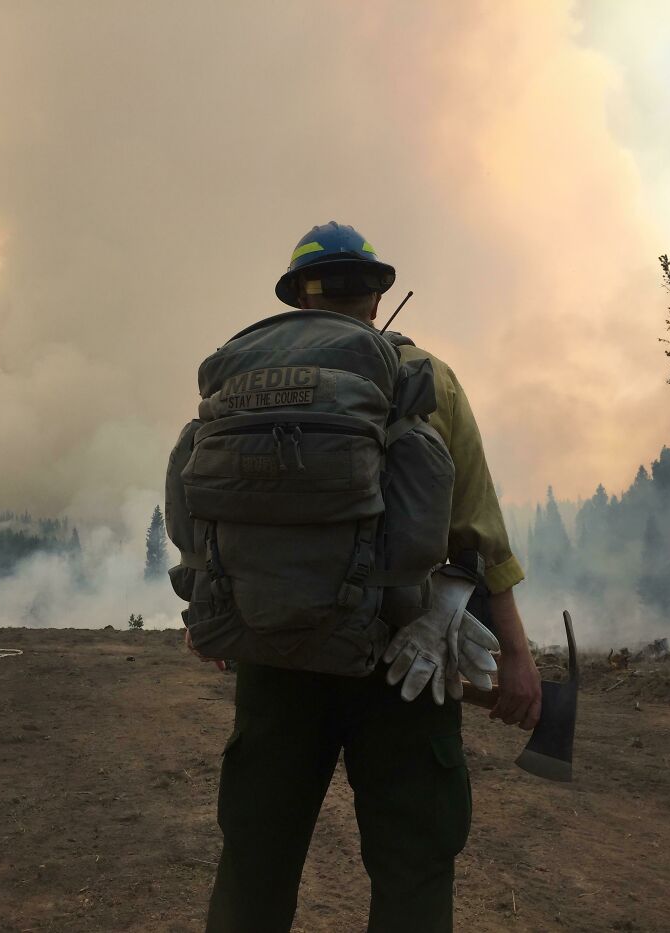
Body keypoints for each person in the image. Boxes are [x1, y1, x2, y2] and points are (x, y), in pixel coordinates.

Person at [185, 222, 542, 933]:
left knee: (256, 858)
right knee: (412, 865)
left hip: (276, 652)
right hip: (402, 659)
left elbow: (206, 500)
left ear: (296, 299)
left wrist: (215, 605)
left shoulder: (247, 378)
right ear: (376, 297)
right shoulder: (425, 377)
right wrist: (518, 657)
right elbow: (477, 528)